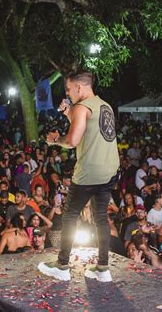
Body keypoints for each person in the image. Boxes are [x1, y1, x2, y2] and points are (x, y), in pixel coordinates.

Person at [38, 70, 120, 282]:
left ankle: (62, 265)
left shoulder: (82, 107)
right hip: (109, 171)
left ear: (79, 87)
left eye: (68, 89)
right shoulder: (105, 106)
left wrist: (55, 140)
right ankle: (103, 268)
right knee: (101, 217)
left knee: (70, 216)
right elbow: (88, 128)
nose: (68, 93)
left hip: (89, 173)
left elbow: (73, 140)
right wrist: (69, 113)